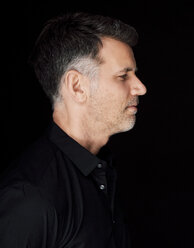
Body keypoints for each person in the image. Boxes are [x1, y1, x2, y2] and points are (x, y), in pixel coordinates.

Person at [0, 12, 146, 247]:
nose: (140, 87)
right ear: (77, 86)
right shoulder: (32, 199)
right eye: (123, 76)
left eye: (135, 75)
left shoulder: (102, 170)